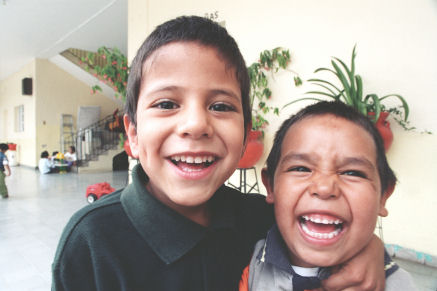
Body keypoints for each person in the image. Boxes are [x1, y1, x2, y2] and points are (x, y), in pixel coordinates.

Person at [52, 16, 387, 291]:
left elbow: (328, 230)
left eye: (221, 106)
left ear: (244, 137)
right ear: (134, 134)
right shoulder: (91, 242)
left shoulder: (266, 220)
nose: (196, 124)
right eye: (167, 104)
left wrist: (368, 250)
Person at [239, 101, 416, 290]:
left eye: (352, 173)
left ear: (383, 195)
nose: (324, 188)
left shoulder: (396, 285)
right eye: (301, 168)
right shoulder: (244, 256)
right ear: (271, 186)